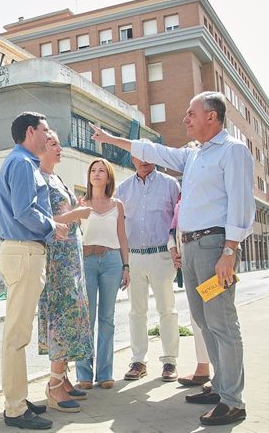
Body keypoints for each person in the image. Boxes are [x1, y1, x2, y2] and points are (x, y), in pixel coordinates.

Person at [88, 91, 255, 426]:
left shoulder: (233, 151)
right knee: (204, 320)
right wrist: (110, 139)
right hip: (192, 248)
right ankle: (220, 386)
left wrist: (229, 251)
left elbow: (241, 203)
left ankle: (233, 401)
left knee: (222, 321)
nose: (185, 120)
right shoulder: (193, 155)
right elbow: (155, 150)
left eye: (191, 113)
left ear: (212, 116)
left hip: (214, 247)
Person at [0, 111, 68, 430]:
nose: (49, 134)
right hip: (24, 251)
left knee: (18, 334)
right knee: (16, 336)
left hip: (22, 251)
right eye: (45, 129)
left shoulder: (20, 162)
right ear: (30, 132)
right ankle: (14, 409)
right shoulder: (23, 164)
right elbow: (25, 211)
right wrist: (53, 226)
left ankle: (18, 400)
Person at [37, 131, 93, 413]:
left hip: (72, 257)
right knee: (61, 315)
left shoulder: (57, 178)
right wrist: (75, 215)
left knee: (73, 314)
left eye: (59, 142)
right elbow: (45, 220)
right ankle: (54, 383)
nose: (59, 147)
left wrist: (77, 209)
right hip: (58, 259)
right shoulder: (40, 179)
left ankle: (65, 377)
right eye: (53, 143)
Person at [115, 154, 181, 383]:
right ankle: (138, 361)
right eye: (139, 156)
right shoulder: (122, 189)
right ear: (132, 158)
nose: (144, 160)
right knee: (136, 312)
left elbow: (178, 221)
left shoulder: (170, 185)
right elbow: (117, 225)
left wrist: (176, 250)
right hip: (134, 257)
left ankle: (170, 361)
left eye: (149, 155)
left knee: (167, 310)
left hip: (162, 255)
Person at [74, 158, 130, 390]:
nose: (96, 174)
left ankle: (105, 373)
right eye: (93, 170)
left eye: (101, 171)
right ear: (89, 177)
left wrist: (126, 267)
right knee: (86, 318)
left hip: (112, 262)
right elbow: (75, 236)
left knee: (107, 318)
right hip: (86, 262)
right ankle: (84, 374)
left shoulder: (117, 205)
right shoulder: (81, 204)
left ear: (108, 177)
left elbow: (122, 237)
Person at [170, 197, 212, 387]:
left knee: (216, 317)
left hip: (210, 255)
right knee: (197, 318)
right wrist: (174, 249)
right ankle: (203, 367)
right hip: (188, 258)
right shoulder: (182, 198)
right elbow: (173, 228)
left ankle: (223, 376)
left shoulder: (210, 189)